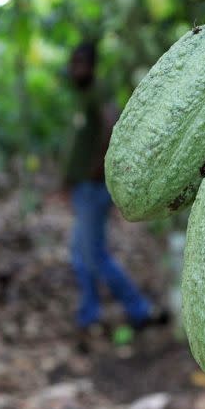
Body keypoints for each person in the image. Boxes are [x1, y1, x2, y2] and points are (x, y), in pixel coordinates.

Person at [63, 42, 167, 333]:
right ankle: (90, 314)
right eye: (73, 63)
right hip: (83, 187)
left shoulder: (97, 92)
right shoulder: (82, 96)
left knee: (93, 255)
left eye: (81, 63)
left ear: (92, 66)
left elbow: (111, 125)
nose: (75, 69)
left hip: (93, 188)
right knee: (80, 253)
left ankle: (139, 309)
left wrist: (100, 167)